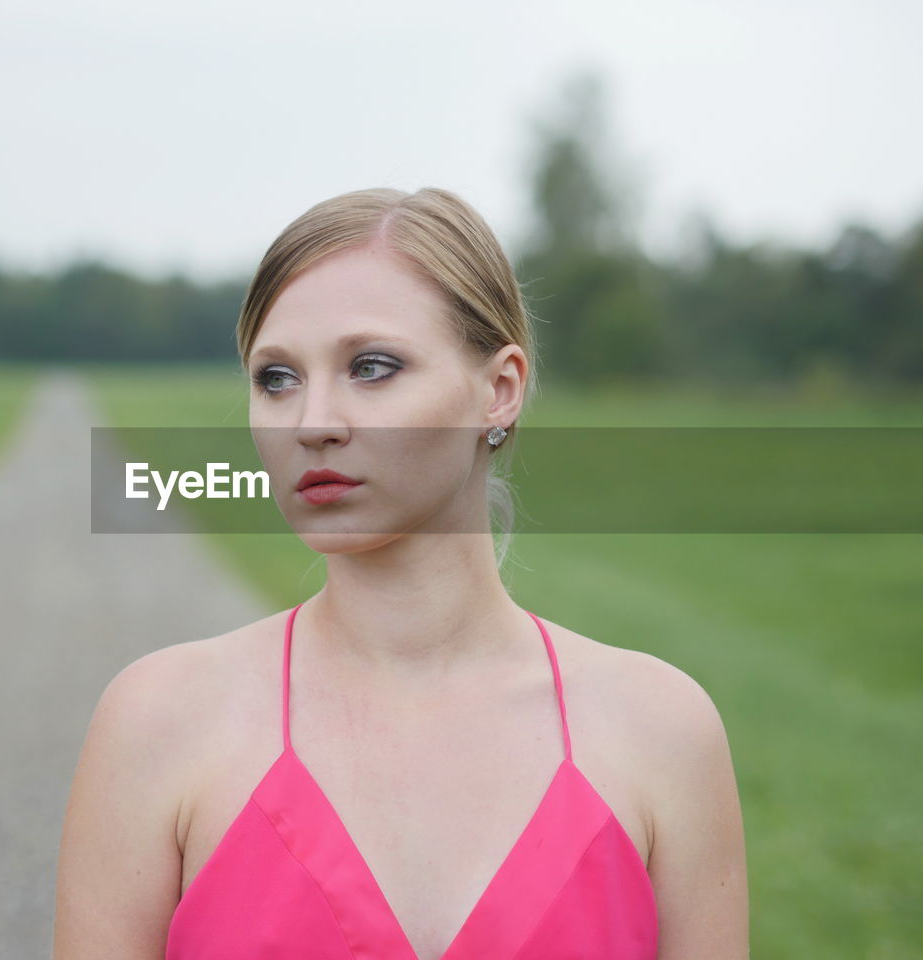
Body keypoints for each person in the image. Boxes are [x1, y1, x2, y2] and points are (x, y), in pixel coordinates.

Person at [52, 187, 749, 960]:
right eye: (275, 378)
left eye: (372, 367)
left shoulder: (661, 733)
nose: (313, 421)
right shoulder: (157, 724)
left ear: (500, 390)